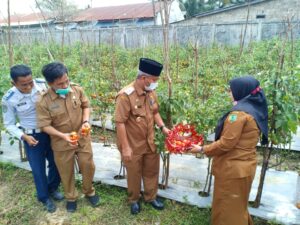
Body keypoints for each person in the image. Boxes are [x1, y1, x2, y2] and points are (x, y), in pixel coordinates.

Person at [190, 75, 268, 225]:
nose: (229, 93)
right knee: (238, 205)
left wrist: (201, 149)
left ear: (241, 91)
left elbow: (226, 143)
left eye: (231, 90)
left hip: (233, 170)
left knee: (227, 209)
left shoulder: (238, 115)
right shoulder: (252, 109)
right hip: (245, 167)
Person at [36, 62, 100, 213]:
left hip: (82, 137)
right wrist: (62, 136)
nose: (65, 85)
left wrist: (85, 121)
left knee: (88, 165)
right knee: (66, 171)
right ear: (50, 83)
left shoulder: (76, 89)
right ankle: (71, 197)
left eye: (67, 80)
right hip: (61, 142)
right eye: (60, 84)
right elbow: (44, 125)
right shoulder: (43, 101)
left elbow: (86, 106)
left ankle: (89, 191)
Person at [1, 64, 63, 213]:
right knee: (38, 169)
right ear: (14, 83)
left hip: (50, 131)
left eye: (30, 82)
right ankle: (44, 197)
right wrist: (24, 137)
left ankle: (53, 188)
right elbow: (9, 125)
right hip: (31, 136)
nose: (29, 86)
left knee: (56, 163)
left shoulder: (41, 84)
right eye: (24, 85)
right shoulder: (9, 98)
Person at [115, 58, 170, 215]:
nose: (155, 83)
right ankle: (134, 199)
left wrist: (163, 127)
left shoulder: (151, 92)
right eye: (154, 79)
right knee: (134, 173)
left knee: (152, 171)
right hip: (132, 144)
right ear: (143, 78)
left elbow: (155, 112)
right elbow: (120, 123)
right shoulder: (125, 96)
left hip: (150, 141)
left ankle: (151, 197)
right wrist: (125, 147)